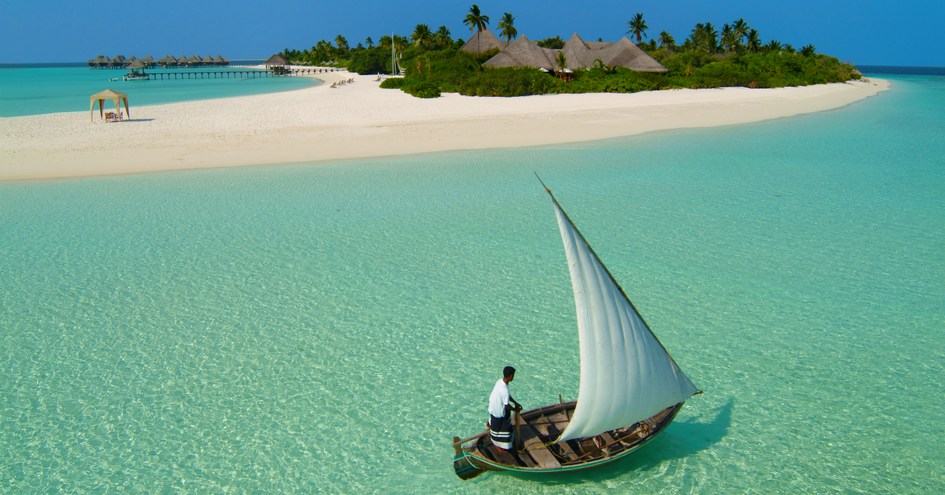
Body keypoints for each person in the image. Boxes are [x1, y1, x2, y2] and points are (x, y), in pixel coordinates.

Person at [487, 366, 522, 451]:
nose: (513, 377)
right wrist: (516, 410)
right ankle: (499, 444)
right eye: (513, 375)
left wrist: (515, 403)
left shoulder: (499, 381)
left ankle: (490, 423)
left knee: (507, 413)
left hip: (492, 408)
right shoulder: (505, 389)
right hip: (498, 412)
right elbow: (507, 405)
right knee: (505, 419)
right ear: (510, 376)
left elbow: (507, 397)